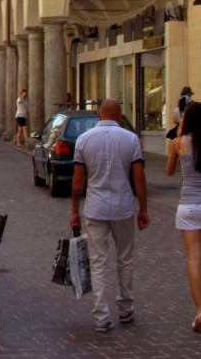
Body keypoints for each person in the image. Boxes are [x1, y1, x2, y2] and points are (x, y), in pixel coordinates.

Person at [70, 98, 149, 333]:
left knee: (98, 261)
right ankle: (126, 308)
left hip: (95, 206)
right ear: (120, 115)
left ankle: (101, 314)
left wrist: (74, 210)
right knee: (125, 258)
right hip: (123, 206)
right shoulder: (130, 139)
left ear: (99, 115)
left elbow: (77, 180)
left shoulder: (83, 140)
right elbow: (139, 177)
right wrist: (143, 209)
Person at [165, 100, 201, 332]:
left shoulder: (179, 143)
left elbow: (168, 171)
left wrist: (178, 135)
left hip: (188, 205)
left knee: (194, 259)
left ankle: (200, 311)